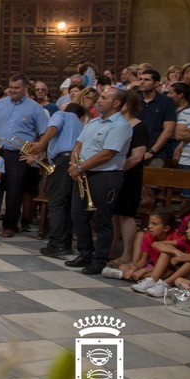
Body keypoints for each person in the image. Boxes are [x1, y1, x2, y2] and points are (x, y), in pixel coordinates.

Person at [64, 87, 133, 275]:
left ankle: (100, 259)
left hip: (105, 175)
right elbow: (78, 145)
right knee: (77, 214)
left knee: (102, 218)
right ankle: (85, 253)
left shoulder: (120, 125)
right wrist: (74, 164)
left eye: (103, 98)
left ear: (116, 103)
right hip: (83, 173)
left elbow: (107, 154)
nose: (98, 100)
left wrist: (80, 167)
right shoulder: (93, 122)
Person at [0, 74, 50, 237]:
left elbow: (44, 134)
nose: (12, 90)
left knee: (14, 190)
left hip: (18, 154)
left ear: (25, 88)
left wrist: (35, 154)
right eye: (11, 87)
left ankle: (10, 226)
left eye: (16, 88)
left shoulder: (35, 108)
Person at [32, 103, 85, 258]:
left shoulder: (62, 115)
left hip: (62, 161)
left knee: (56, 202)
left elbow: (54, 127)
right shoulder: (81, 125)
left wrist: (42, 143)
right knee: (68, 204)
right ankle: (66, 243)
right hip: (76, 162)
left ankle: (57, 244)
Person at [109, 91, 149, 266]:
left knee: (125, 214)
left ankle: (126, 254)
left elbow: (137, 156)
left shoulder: (139, 127)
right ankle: (110, 251)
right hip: (114, 173)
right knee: (113, 215)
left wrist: (117, 168)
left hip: (129, 175)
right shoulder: (116, 124)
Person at [131, 215, 190, 297]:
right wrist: (176, 252)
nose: (187, 231)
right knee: (168, 250)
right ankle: (152, 280)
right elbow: (156, 244)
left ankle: (165, 284)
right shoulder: (188, 241)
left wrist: (181, 257)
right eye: (188, 228)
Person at [104, 209, 177, 281]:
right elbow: (143, 260)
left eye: (154, 224)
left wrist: (144, 270)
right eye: (149, 223)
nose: (149, 226)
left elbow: (169, 266)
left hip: (166, 269)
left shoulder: (175, 238)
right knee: (123, 267)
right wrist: (134, 268)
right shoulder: (149, 236)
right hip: (152, 267)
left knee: (167, 273)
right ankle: (133, 275)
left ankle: (124, 275)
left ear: (166, 228)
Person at [135, 69, 177, 167]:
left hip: (155, 154)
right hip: (132, 152)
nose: (142, 82)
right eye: (140, 79)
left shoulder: (166, 102)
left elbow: (169, 130)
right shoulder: (134, 99)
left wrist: (152, 151)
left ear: (156, 83)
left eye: (146, 80)